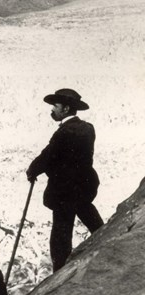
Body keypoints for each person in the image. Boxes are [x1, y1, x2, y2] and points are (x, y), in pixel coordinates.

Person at [26, 88, 104, 272]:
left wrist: (33, 170)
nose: (52, 110)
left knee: (61, 234)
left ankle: (59, 271)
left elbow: (49, 155)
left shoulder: (64, 132)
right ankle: (110, 241)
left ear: (66, 109)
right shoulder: (87, 128)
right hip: (84, 186)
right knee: (92, 220)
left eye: (55, 106)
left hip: (63, 191)